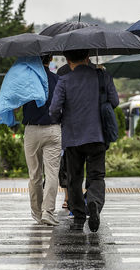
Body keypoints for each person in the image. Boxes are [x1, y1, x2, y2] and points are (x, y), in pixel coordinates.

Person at [49, 49, 119, 232]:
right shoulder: (102, 76)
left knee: (74, 178)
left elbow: (54, 109)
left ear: (67, 59)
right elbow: (115, 101)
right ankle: (94, 202)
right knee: (96, 175)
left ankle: (79, 216)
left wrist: (61, 120)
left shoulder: (64, 80)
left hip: (72, 138)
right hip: (97, 135)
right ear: (87, 57)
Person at [23, 54, 62, 226]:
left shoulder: (26, 80)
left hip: (31, 129)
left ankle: (37, 212)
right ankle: (48, 211)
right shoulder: (57, 79)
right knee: (52, 172)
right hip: (53, 128)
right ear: (51, 58)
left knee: (34, 174)